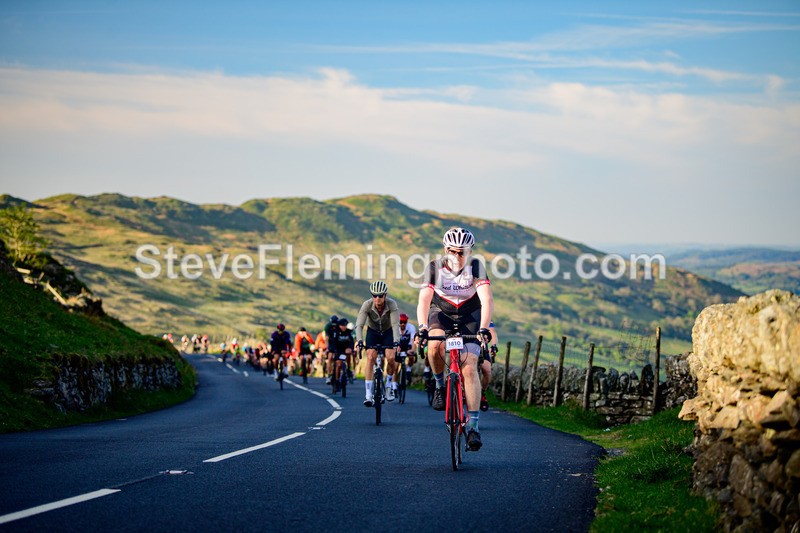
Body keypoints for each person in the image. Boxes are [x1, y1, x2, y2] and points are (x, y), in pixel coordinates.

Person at [417, 227, 493, 451]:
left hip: (470, 315)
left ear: (470, 252)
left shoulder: (476, 266)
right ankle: (440, 386)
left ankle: (474, 427)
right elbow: (424, 300)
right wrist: (422, 327)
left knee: (469, 367)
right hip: (442, 313)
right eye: (452, 251)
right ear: (445, 250)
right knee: (434, 346)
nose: (457, 256)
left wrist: (484, 328)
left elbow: (486, 300)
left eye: (462, 252)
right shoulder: (434, 267)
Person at [355, 280, 401, 407]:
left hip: (388, 332)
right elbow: (359, 325)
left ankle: (388, 386)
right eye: (374, 295)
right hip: (373, 332)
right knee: (370, 357)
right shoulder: (367, 305)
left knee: (391, 358)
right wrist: (359, 341)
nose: (377, 298)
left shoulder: (392, 304)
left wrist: (396, 342)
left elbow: (395, 325)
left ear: (385, 295)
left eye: (380, 295)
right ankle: (368, 394)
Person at [330, 317, 355, 388]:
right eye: (342, 325)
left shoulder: (348, 332)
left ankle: (348, 368)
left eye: (345, 325)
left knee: (349, 355)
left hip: (346, 350)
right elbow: (333, 342)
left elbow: (351, 342)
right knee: (339, 364)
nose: (343, 327)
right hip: (338, 350)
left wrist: (351, 348)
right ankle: (337, 380)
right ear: (339, 325)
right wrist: (334, 350)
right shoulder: (336, 332)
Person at [393, 313, 417, 387]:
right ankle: (394, 384)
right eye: (401, 322)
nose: (403, 324)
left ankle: (409, 370)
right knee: (396, 366)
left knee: (411, 355)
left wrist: (412, 351)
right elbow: (393, 341)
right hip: (398, 346)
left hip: (407, 346)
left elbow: (413, 341)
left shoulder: (411, 327)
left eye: (404, 322)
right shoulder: (395, 328)